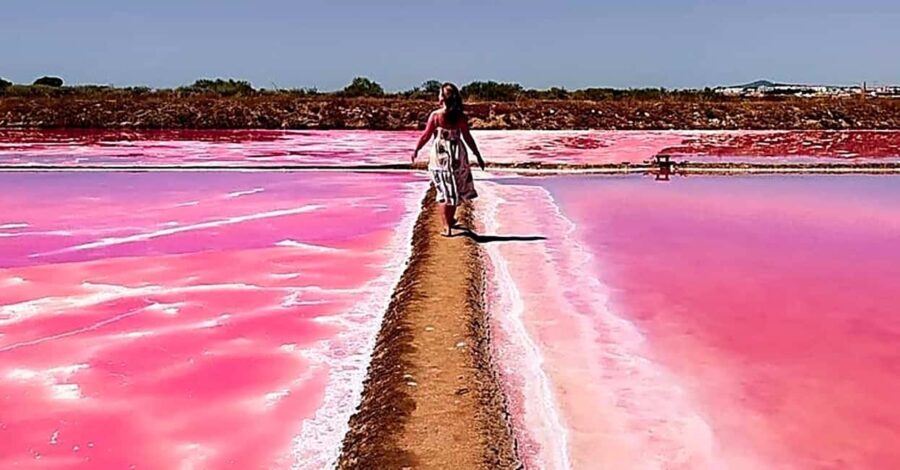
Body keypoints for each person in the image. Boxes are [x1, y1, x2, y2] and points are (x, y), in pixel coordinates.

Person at [412, 82, 486, 236]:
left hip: (440, 157)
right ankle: (450, 220)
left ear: (442, 98)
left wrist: (417, 149)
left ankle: (447, 225)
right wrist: (477, 155)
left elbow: (426, 135)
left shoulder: (436, 116)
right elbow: (467, 137)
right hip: (457, 156)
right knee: (453, 188)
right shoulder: (459, 116)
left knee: (444, 190)